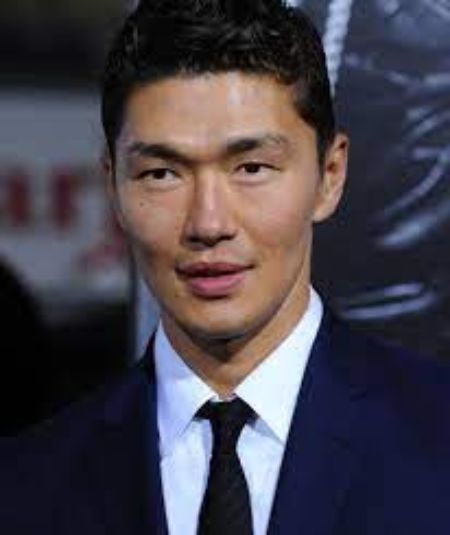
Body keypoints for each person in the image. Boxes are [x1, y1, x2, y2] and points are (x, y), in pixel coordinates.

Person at [1, 1, 449, 534]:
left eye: (251, 168)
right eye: (162, 174)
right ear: (112, 185)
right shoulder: (25, 487)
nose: (208, 223)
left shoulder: (436, 442)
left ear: (329, 175)